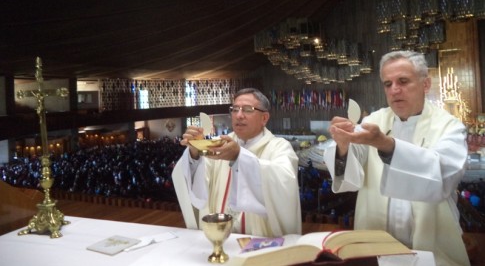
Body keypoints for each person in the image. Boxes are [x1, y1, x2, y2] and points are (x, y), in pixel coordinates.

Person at [323, 50, 470, 266]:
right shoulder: (374, 120)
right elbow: (350, 178)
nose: (395, 90)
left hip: (431, 247)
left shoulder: (449, 126)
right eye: (388, 83)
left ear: (425, 84)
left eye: (403, 81)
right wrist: (343, 145)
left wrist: (386, 145)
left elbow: (443, 175)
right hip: (376, 242)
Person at [172, 88, 302, 237]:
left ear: (264, 118)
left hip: (260, 239)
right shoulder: (218, 144)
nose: (239, 115)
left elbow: (284, 183)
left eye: (247, 110)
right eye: (235, 109)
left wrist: (239, 157)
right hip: (219, 236)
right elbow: (195, 182)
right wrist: (195, 153)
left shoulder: (279, 147)